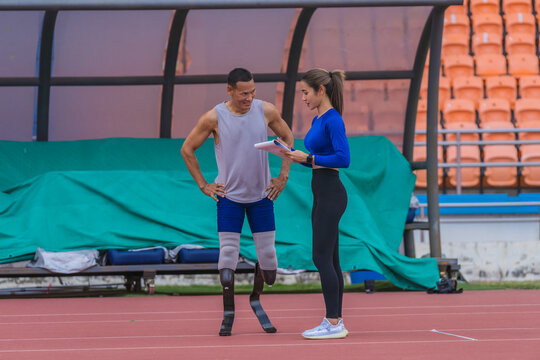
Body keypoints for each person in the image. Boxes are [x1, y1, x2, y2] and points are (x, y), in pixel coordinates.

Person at [181, 68, 294, 336]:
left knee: (270, 269)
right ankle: (229, 311)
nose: (249, 97)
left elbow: (288, 138)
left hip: (262, 196)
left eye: (253, 91)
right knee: (227, 265)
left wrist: (283, 175)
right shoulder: (213, 117)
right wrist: (204, 185)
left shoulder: (265, 110)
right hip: (229, 197)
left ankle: (255, 297)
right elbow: (187, 149)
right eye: (244, 93)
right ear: (229, 90)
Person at [282, 68, 350, 340]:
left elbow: (343, 159)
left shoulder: (333, 120)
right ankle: (335, 320)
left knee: (321, 257)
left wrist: (307, 159)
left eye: (306, 92)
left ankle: (333, 323)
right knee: (330, 259)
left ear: (321, 90)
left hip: (331, 191)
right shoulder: (318, 118)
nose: (303, 97)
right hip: (321, 191)